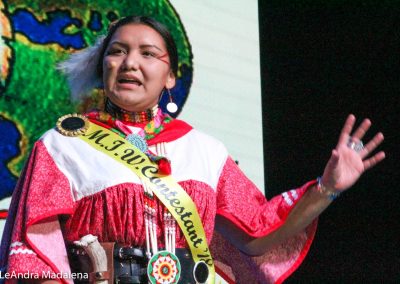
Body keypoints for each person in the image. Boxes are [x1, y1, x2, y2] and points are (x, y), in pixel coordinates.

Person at [0, 15, 385, 284]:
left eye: (148, 53)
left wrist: (327, 188)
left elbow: (259, 234)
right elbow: (32, 258)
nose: (130, 62)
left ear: (170, 77)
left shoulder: (204, 150)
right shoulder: (63, 145)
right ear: (103, 66)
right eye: (117, 51)